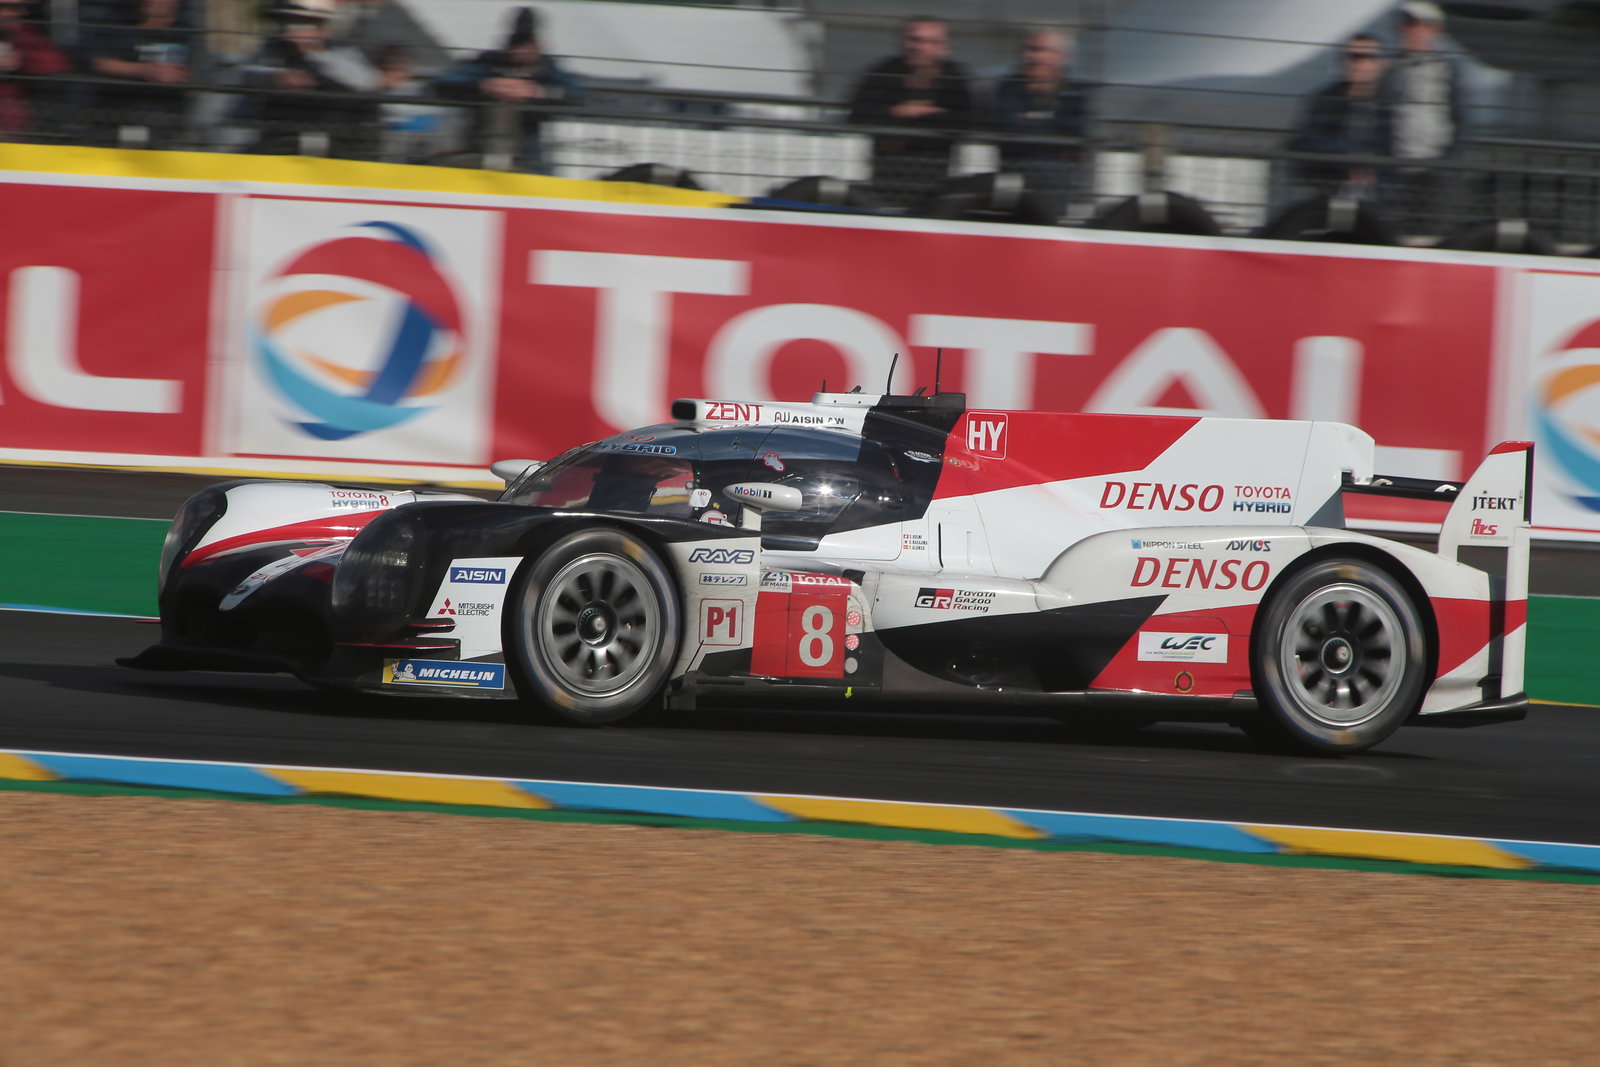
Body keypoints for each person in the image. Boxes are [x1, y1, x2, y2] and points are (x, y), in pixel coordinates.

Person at [846, 15, 974, 209]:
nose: (916, 47)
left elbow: (966, 120)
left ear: (943, 47)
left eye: (926, 41)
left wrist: (919, 116)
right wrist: (896, 112)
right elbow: (858, 113)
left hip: (934, 177)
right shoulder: (884, 72)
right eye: (912, 39)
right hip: (886, 176)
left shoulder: (955, 78)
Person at [435, 6, 582, 174]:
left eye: (528, 44)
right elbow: (444, 83)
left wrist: (535, 92)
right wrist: (487, 86)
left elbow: (577, 96)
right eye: (517, 43)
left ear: (539, 45)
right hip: (477, 152)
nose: (522, 50)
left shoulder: (548, 70)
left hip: (528, 159)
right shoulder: (488, 63)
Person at [240, 0, 382, 160]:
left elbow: (367, 83)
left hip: (339, 144)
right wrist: (275, 78)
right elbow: (250, 74)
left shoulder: (343, 56)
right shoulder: (273, 53)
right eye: (286, 23)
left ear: (322, 29)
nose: (287, 30)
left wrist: (315, 74)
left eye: (299, 24)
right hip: (279, 141)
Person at [988, 26, 1088, 218]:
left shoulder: (1076, 93)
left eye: (1039, 50)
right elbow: (1008, 128)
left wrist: (1029, 120)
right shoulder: (1008, 88)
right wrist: (1050, 126)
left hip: (1055, 191)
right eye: (1028, 49)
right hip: (1012, 188)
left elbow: (1076, 135)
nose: (1031, 56)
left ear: (1061, 56)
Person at [1383, 0, 1464, 231]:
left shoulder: (1448, 69)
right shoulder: (1393, 70)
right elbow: (1382, 119)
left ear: (1434, 30)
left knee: (1432, 230)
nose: (1407, 29)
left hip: (1435, 170)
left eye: (1414, 23)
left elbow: (1460, 119)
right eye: (1405, 23)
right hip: (1397, 170)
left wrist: (1447, 163)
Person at [84, 0, 203, 150]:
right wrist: (144, 70)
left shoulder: (187, 35)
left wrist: (178, 75)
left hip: (168, 120)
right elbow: (99, 63)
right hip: (119, 116)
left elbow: (199, 76)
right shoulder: (121, 26)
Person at [1285, 34, 1392, 201]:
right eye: (1350, 57)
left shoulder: (1392, 104)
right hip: (1330, 190)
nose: (1354, 64)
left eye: (1363, 57)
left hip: (1381, 196)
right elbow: (1308, 139)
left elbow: (1394, 147)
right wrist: (1350, 159)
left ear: (1382, 63)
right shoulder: (1326, 100)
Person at [0, 0, 69, 141]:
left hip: (14, 131)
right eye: (10, 8)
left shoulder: (24, 34)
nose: (19, 13)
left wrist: (23, 55)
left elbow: (56, 64)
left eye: (19, 8)